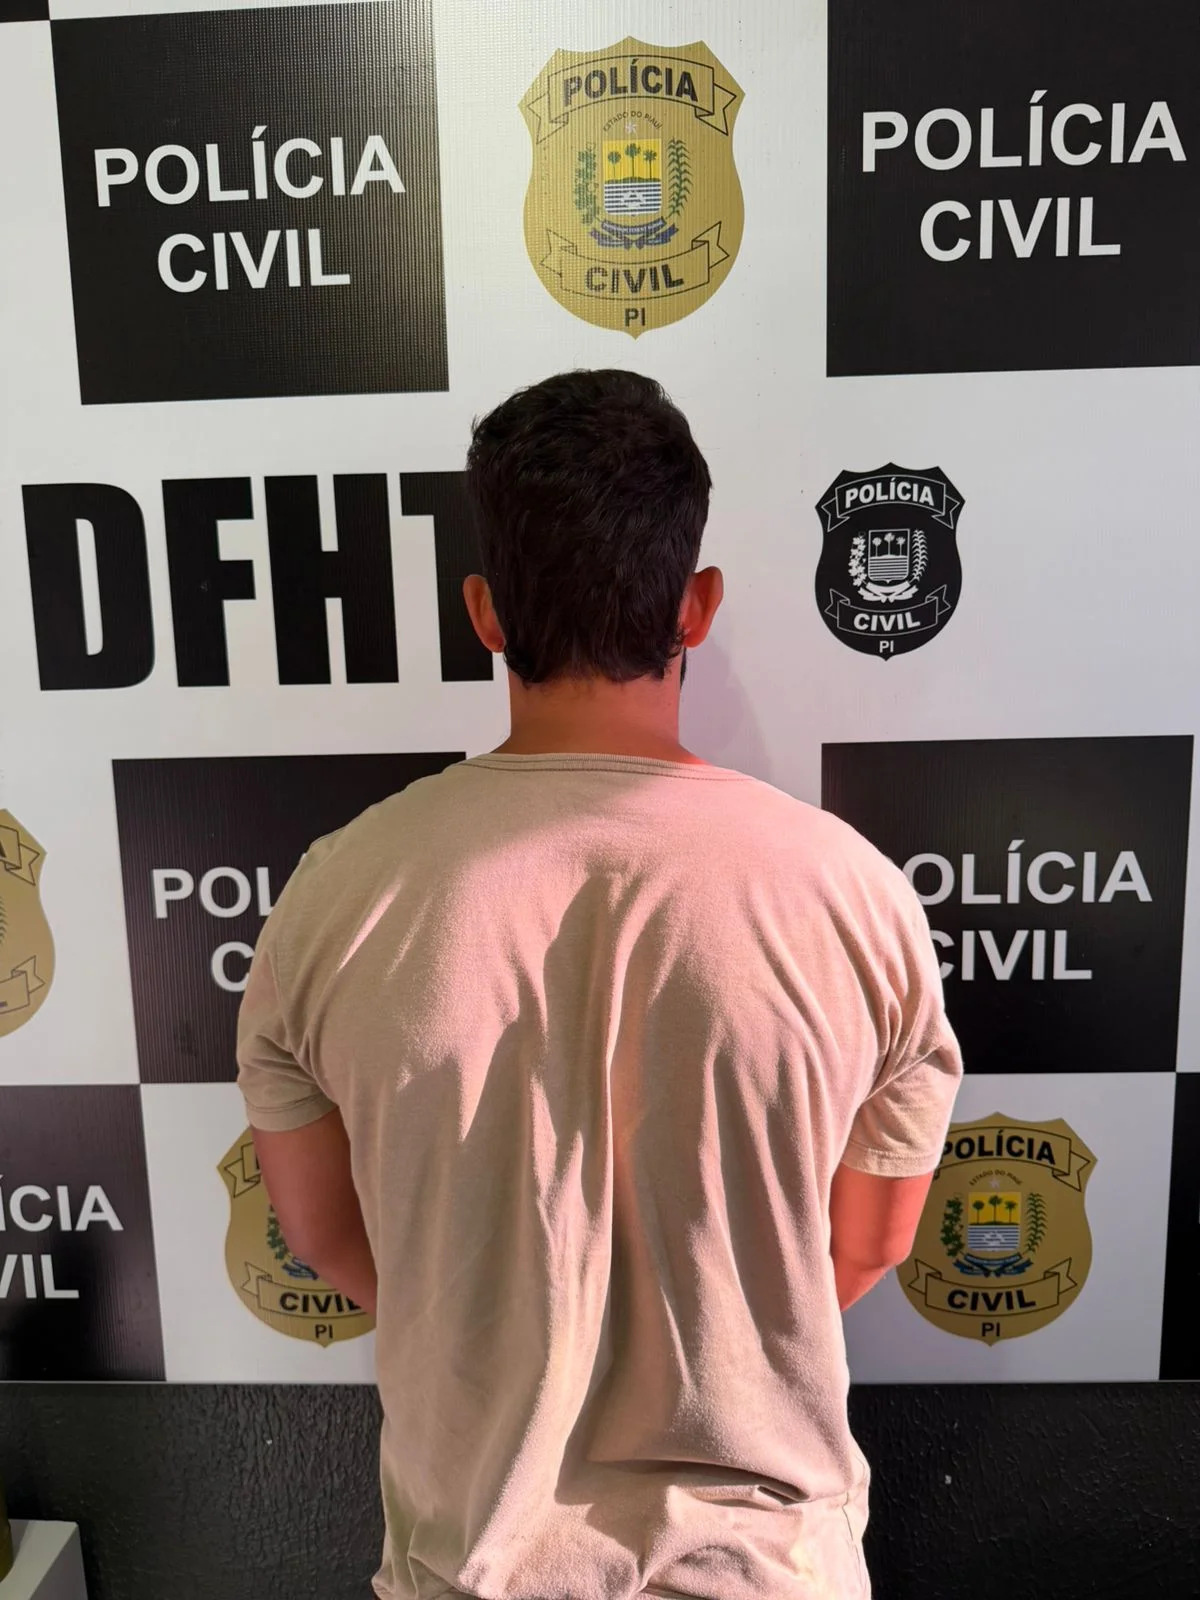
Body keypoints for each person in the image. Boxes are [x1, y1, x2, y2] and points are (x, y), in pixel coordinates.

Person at [237, 368, 963, 1600]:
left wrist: (504, 1334)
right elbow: (867, 1243)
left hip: (476, 1564)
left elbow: (322, 1236)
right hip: (767, 1567)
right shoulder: (856, 896)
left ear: (482, 611)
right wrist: (722, 1332)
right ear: (697, 606)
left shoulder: (334, 896)